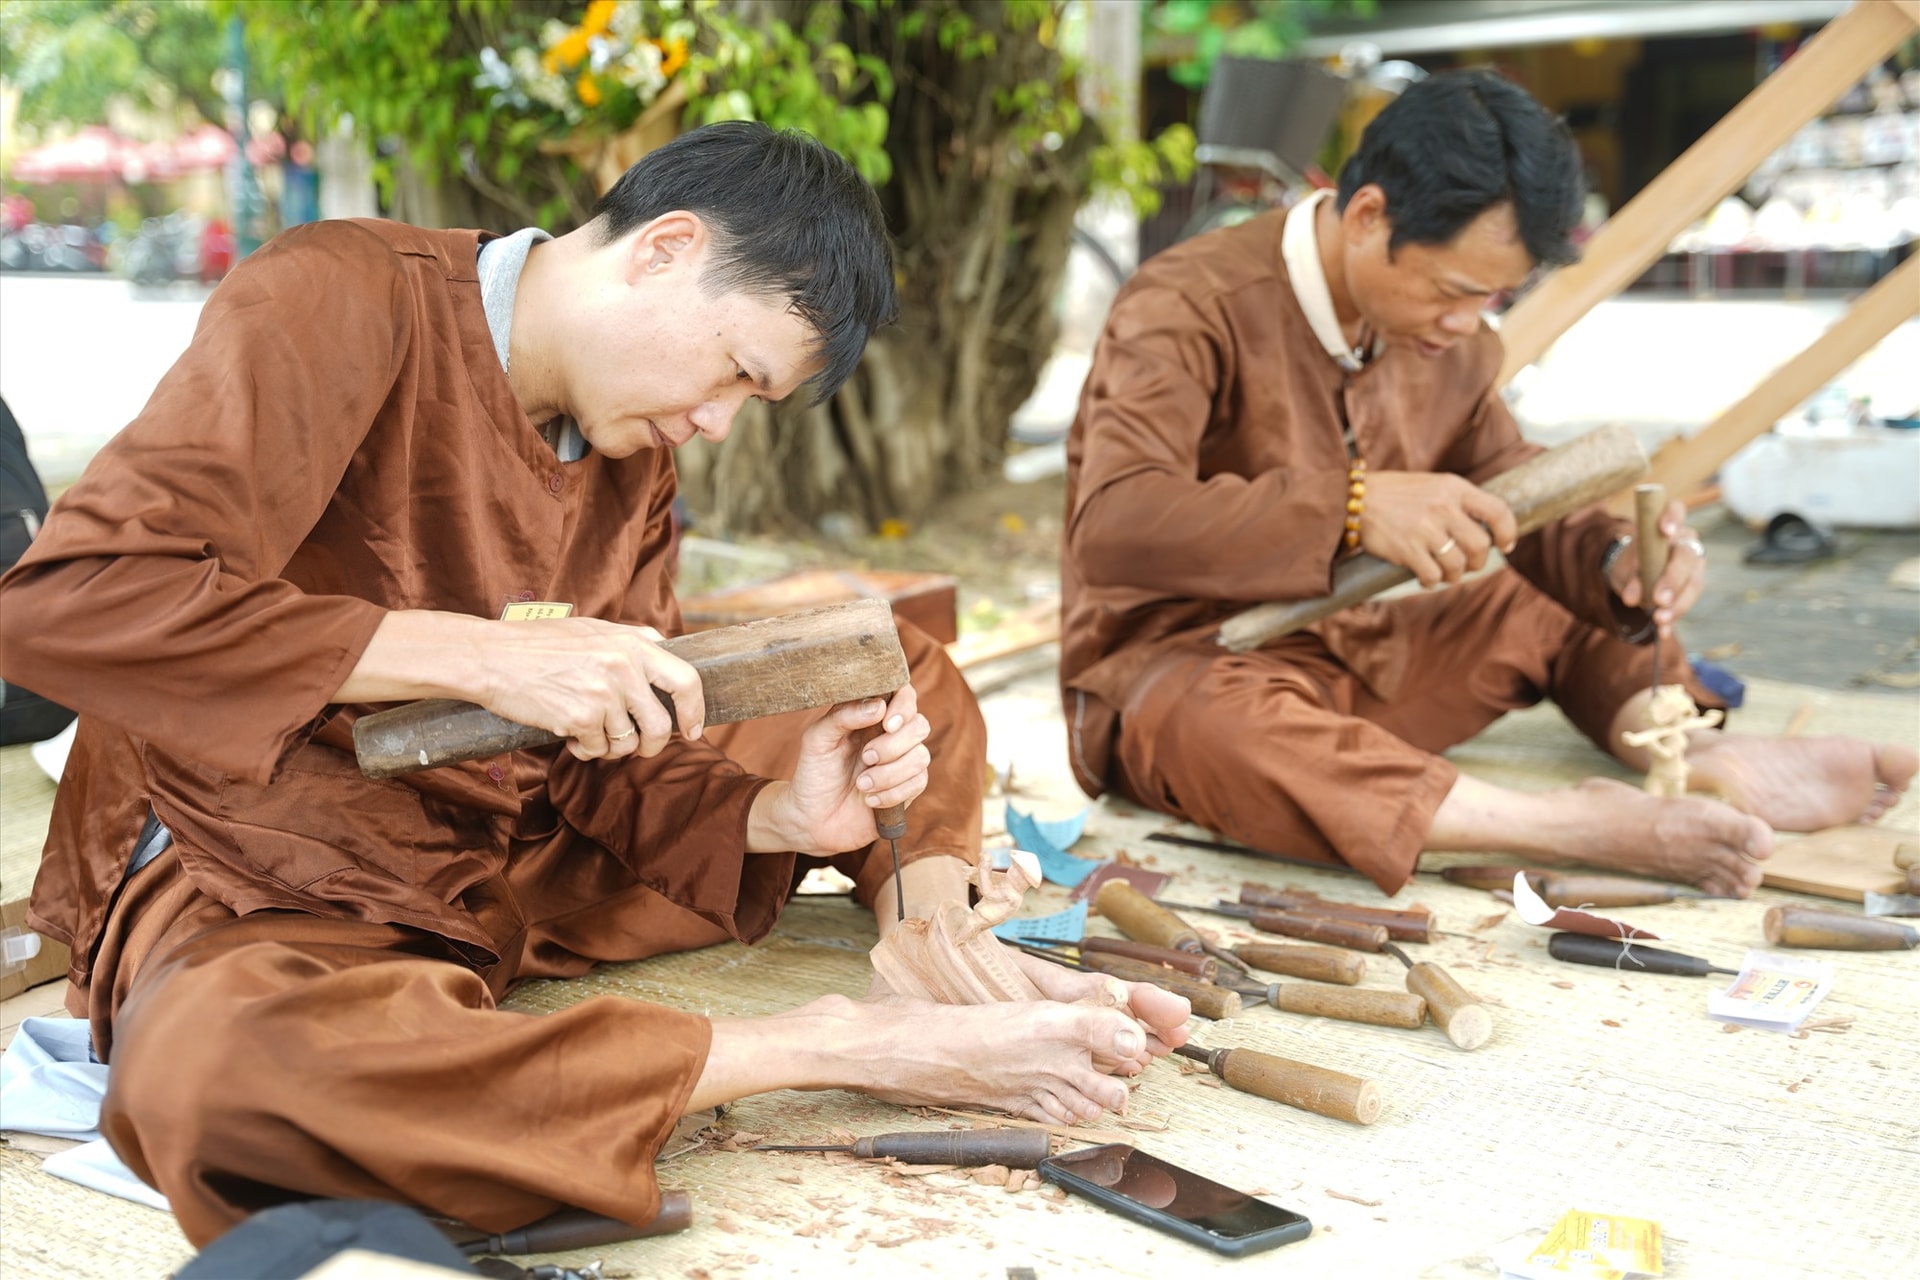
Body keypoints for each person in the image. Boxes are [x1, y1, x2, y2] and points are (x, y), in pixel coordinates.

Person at [0, 122, 1187, 1249]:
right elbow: (68, 601)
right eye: (734, 370)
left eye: (748, 402)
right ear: (665, 248)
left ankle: (928, 926)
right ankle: (836, 1042)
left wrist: (773, 818)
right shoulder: (337, 293)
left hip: (507, 844)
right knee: (224, 1079)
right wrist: (476, 651)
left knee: (892, 667)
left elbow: (614, 736)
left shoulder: (635, 454)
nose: (718, 421)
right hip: (271, 857)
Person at [1058, 70, 1915, 900]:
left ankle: (1694, 758)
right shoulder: (1186, 303)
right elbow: (1116, 521)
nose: (1470, 324)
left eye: (1496, 299)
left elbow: (1517, 494)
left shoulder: (1454, 347)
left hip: (1351, 660)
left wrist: (1619, 557)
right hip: (1184, 669)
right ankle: (1564, 826)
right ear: (1367, 216)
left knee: (1548, 603)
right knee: (1214, 723)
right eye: (1453, 291)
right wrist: (1354, 507)